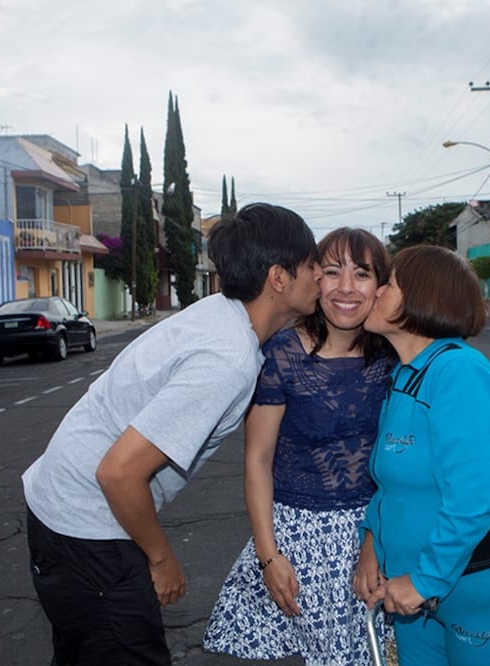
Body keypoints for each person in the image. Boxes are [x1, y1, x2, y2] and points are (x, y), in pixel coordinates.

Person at [203, 229, 490, 665]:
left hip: (449, 571)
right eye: (332, 272)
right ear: (315, 279)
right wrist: (273, 555)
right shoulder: (389, 370)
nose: (351, 289)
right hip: (354, 555)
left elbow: (473, 479)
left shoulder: (411, 361)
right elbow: (377, 479)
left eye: (370, 277)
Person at [22, 202, 321, 665]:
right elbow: (119, 473)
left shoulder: (221, 314)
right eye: (313, 266)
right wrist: (161, 560)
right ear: (279, 278)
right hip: (87, 528)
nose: (321, 277)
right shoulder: (226, 359)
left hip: (65, 513)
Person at [355, 244, 490, 666]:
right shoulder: (403, 376)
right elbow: (391, 484)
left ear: (421, 299)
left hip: (475, 585)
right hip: (414, 587)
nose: (376, 292)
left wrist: (424, 582)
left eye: (389, 283)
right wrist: (372, 541)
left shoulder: (458, 372)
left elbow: (474, 496)